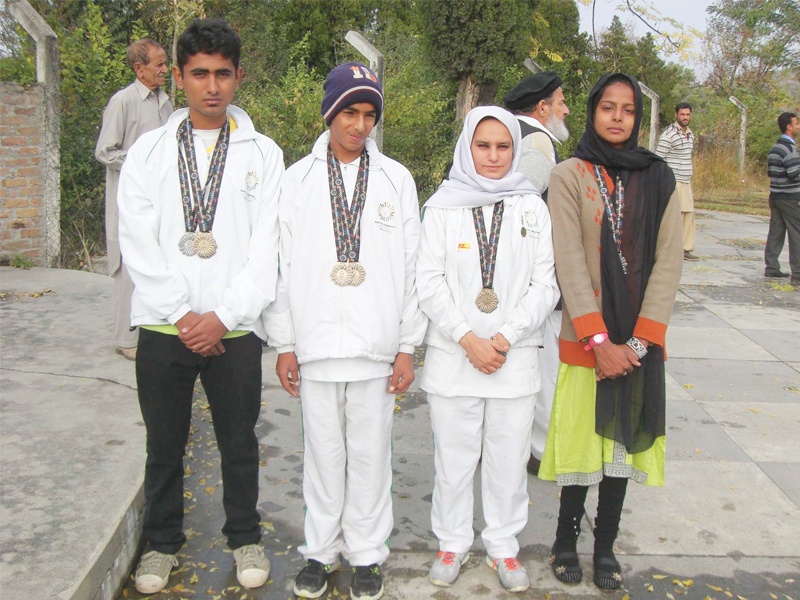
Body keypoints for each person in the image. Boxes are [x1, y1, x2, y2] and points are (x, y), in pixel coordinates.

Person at [117, 19, 283, 594]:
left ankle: (244, 537)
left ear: (238, 77)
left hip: (234, 330)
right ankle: (162, 545)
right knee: (164, 443)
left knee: (240, 442)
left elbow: (268, 249)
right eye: (198, 74)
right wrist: (185, 315)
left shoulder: (265, 154)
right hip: (166, 326)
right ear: (181, 79)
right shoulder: (150, 151)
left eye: (222, 74)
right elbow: (136, 238)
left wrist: (223, 315)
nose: (211, 86)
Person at [264, 62, 426, 600]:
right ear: (330, 111)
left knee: (371, 455)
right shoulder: (296, 180)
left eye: (370, 114)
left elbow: (411, 268)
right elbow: (282, 268)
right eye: (351, 112)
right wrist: (284, 342)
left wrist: (407, 345)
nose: (360, 125)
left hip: (376, 348)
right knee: (323, 456)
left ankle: (367, 555)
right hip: (314, 349)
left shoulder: (395, 179)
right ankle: (320, 550)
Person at [540, 73, 683, 591]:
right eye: (607, 107)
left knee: (623, 447)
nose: (618, 117)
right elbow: (569, 260)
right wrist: (599, 342)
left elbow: (668, 263)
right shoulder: (568, 174)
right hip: (587, 339)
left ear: (638, 119)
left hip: (640, 344)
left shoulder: (659, 176)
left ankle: (605, 547)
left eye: (627, 109)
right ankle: (563, 541)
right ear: (592, 112)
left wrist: (638, 343)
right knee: (581, 446)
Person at [416, 106, 559, 593]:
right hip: (456, 357)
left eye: (503, 146)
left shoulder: (531, 207)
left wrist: (504, 337)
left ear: (516, 150)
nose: (494, 156)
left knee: (507, 461)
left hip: (512, 360)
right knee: (453, 461)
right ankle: (452, 542)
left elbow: (546, 285)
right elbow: (428, 282)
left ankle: (503, 547)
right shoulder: (442, 207)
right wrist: (468, 337)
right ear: (467, 148)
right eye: (483, 146)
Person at [504, 71, 570, 476]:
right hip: (532, 268)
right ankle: (540, 449)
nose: (564, 109)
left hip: (513, 269)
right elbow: (522, 198)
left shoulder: (507, 133)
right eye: (560, 101)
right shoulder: (538, 138)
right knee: (547, 362)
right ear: (542, 107)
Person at [96, 38, 173, 361]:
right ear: (139, 69)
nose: (165, 70)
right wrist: (141, 162)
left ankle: (154, 333)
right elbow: (104, 151)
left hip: (161, 200)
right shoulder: (123, 101)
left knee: (158, 262)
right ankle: (126, 340)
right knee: (128, 268)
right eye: (158, 64)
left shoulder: (166, 102)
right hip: (128, 201)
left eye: (165, 63)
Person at [656, 102, 697, 261]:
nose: (685, 118)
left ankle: (685, 249)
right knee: (675, 216)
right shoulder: (669, 134)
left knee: (688, 214)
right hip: (673, 180)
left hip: (686, 179)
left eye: (687, 115)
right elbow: (659, 159)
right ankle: (670, 249)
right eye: (682, 114)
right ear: (676, 114)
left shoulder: (690, 134)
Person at [764, 112, 800, 283]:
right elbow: (794, 173)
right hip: (789, 197)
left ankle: (771, 267)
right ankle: (798, 271)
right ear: (789, 126)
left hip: (776, 195)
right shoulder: (789, 148)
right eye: (797, 123)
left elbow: (770, 172)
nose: (798, 126)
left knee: (776, 232)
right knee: (796, 233)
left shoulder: (775, 147)